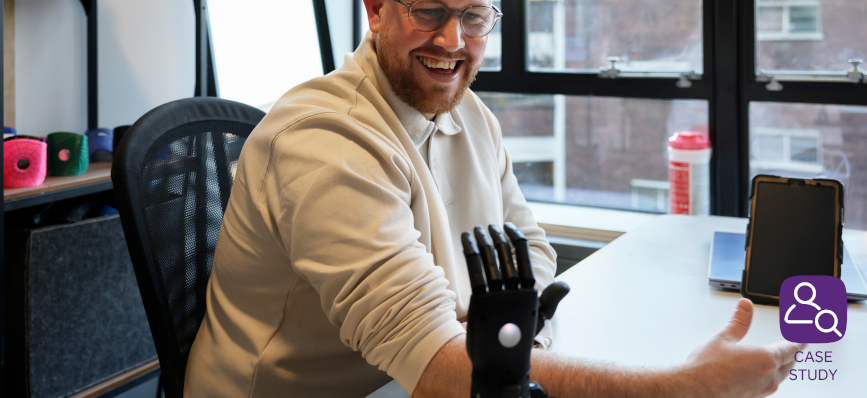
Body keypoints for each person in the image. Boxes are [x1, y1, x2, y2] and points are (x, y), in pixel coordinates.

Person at [184, 0, 804, 397]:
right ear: (375, 10)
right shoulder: (323, 142)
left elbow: (531, 248)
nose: (453, 40)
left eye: (475, 16)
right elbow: (434, 367)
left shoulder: (471, 115)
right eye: (428, 10)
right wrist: (681, 389)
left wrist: (493, 330)